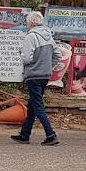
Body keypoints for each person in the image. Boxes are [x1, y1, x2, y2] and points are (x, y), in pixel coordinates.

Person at [12, 11, 61, 146]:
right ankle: (24, 134)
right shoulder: (49, 37)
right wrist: (48, 66)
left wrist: (21, 54)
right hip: (45, 75)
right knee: (33, 105)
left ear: (31, 23)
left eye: (27, 22)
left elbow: (27, 58)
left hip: (33, 75)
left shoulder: (31, 37)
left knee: (37, 105)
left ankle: (51, 135)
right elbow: (58, 55)